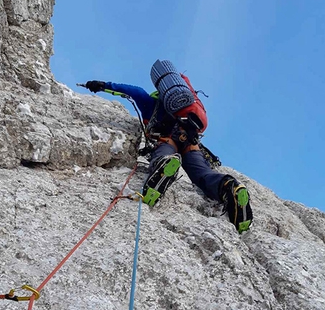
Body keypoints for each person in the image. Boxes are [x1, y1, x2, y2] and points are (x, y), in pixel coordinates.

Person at [84, 79, 253, 234]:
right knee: (202, 174)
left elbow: (133, 91)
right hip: (190, 142)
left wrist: (103, 85)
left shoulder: (150, 103)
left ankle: (163, 166)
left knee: (164, 152)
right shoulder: (186, 110)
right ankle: (228, 186)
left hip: (167, 139)